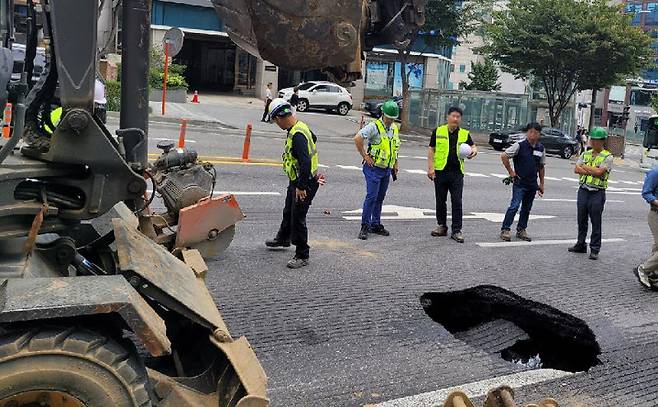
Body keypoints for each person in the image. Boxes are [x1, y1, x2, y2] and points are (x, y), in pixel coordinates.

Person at [264, 98, 320, 269]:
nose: (276, 124)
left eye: (275, 121)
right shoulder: (299, 127)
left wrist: (302, 186)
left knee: (298, 218)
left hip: (304, 182)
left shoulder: (297, 135)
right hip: (297, 180)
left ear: (280, 117)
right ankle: (283, 238)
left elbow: (305, 162)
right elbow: (315, 138)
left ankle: (302, 254)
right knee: (289, 210)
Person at [427, 106, 477, 243]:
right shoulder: (438, 131)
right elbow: (431, 149)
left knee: (457, 201)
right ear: (448, 117)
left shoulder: (464, 134)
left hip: (456, 173)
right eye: (453, 116)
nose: (455, 119)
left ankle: (457, 230)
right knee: (440, 200)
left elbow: (473, 146)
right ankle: (442, 226)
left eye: (458, 117)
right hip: (441, 171)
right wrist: (430, 168)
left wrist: (474, 151)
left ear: (460, 119)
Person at [354, 100, 401, 240]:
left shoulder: (394, 128)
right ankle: (365, 225)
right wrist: (365, 155)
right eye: (389, 118)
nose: (390, 121)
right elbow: (357, 138)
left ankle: (375, 224)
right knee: (371, 197)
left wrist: (395, 164)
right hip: (373, 169)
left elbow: (395, 147)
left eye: (393, 118)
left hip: (386, 169)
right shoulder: (374, 126)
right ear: (383, 114)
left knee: (380, 198)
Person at [568, 127, 613, 260]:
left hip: (597, 193)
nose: (593, 142)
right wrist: (592, 169)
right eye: (592, 139)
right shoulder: (585, 154)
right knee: (581, 219)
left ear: (603, 141)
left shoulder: (607, 156)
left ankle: (595, 249)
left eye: (597, 140)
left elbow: (600, 173)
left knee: (596, 221)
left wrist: (585, 168)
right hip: (583, 190)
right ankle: (580, 244)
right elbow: (576, 169)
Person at [499, 122, 546, 242]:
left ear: (539, 134)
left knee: (526, 208)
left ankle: (521, 229)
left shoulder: (540, 148)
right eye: (530, 132)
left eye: (536, 133)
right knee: (514, 206)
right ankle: (505, 229)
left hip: (532, 184)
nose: (532, 135)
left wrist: (541, 184)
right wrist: (511, 172)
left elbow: (541, 167)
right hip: (520, 183)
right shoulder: (519, 145)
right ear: (527, 133)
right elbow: (504, 156)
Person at [635, 165, 658, 290]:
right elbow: (646, 193)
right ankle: (644, 269)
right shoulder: (655, 172)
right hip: (656, 214)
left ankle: (654, 276)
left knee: (657, 247)